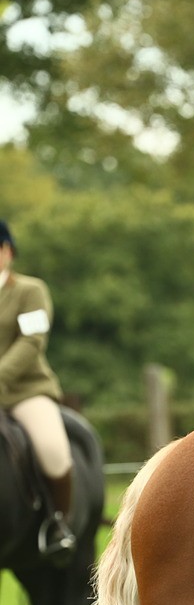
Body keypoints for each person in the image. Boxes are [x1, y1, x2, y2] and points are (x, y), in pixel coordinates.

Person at [0, 219, 75, 562]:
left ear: (8, 251)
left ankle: (58, 524)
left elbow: (32, 340)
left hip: (24, 390)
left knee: (53, 452)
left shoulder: (30, 291)